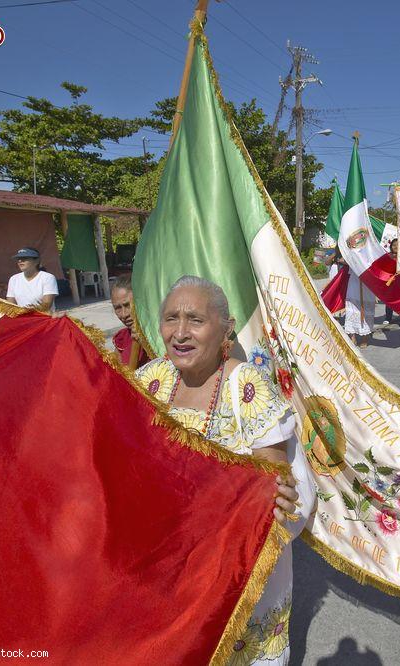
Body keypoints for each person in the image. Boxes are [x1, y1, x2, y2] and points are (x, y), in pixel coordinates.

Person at [134, 275, 315, 666]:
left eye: (195, 320)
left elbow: (271, 478)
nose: (179, 333)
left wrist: (273, 495)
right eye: (171, 319)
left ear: (225, 328)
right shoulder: (150, 379)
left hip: (236, 567)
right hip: (168, 561)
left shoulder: (247, 386)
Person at [110, 274, 150, 369]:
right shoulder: (122, 340)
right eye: (118, 308)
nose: (124, 314)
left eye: (127, 305)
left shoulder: (161, 335)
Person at [6, 247, 58, 312]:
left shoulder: (48, 278)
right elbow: (10, 304)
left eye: (24, 258)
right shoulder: (13, 279)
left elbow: (46, 306)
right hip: (21, 317)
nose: (20, 261)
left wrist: (26, 313)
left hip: (42, 318)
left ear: (37, 261)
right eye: (18, 259)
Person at [344, 260, 373, 348]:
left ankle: (365, 337)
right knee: (351, 309)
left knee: (365, 311)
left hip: (367, 283)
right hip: (354, 281)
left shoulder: (370, 248)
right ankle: (352, 336)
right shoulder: (351, 249)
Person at [383, 239, 400, 329]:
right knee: (389, 300)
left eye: (398, 245)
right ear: (391, 246)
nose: (396, 247)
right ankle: (388, 318)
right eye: (394, 245)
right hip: (390, 282)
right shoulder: (387, 256)